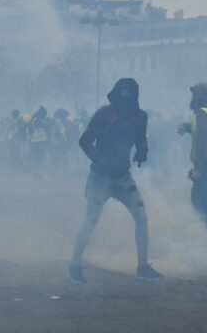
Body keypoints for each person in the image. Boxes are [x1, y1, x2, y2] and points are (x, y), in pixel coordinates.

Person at [70, 78, 163, 283]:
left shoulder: (140, 117)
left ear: (135, 97)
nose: (124, 101)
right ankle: (75, 263)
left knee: (141, 215)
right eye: (121, 96)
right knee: (91, 219)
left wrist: (142, 152)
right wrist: (98, 158)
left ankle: (143, 266)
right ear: (115, 95)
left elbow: (141, 139)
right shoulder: (104, 113)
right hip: (99, 178)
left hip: (123, 177)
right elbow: (84, 141)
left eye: (128, 97)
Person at [177, 83, 207, 236]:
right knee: (205, 193)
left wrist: (197, 169)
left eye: (194, 94)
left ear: (199, 96)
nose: (192, 97)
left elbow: (202, 140)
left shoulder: (202, 113)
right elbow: (205, 130)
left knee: (202, 195)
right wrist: (188, 127)